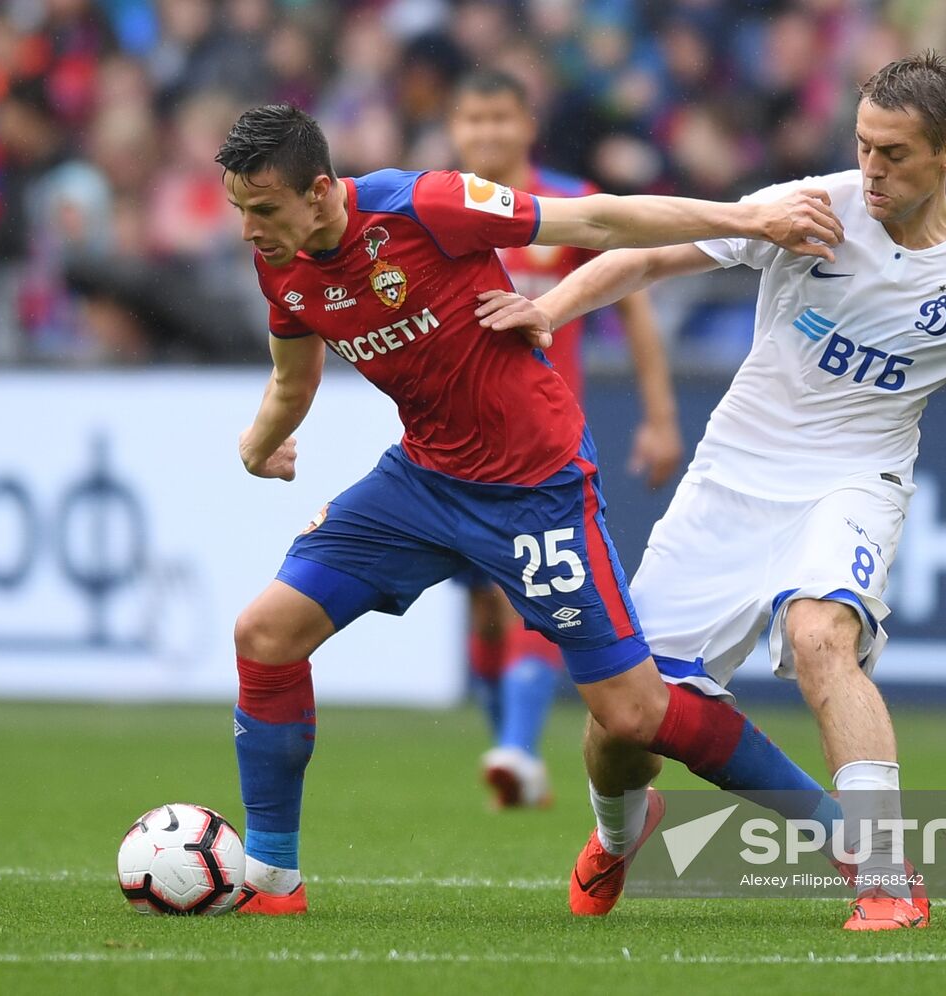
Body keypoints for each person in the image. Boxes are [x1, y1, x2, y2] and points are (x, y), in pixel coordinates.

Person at [478, 51, 946, 930]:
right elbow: (654, 258)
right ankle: (619, 836)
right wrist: (552, 308)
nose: (870, 169)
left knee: (823, 632)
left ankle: (885, 877)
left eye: (894, 154)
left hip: (852, 483)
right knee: (622, 723)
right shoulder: (813, 207)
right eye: (863, 145)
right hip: (731, 479)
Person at [217, 103, 854, 916]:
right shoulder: (281, 261)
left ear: (320, 191)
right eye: (240, 210)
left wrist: (751, 219)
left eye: (262, 210)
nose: (247, 231)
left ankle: (840, 833)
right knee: (264, 634)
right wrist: (259, 443)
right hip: (421, 481)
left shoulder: (424, 204)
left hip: (534, 488)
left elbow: (596, 218)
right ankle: (273, 883)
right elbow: (291, 383)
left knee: (632, 714)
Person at [447, 68, 683, 808]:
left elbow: (633, 311)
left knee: (526, 587)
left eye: (499, 118)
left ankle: (516, 747)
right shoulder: (437, 208)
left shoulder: (568, 208)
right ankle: (509, 748)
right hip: (448, 446)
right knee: (484, 605)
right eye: (472, 120)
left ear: (527, 125)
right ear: (456, 129)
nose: (486, 134)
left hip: (539, 448)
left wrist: (660, 415)